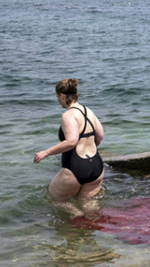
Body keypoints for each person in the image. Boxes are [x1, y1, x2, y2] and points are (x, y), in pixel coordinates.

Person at [33, 78, 105, 215]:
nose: (58, 100)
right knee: (88, 203)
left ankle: (78, 218)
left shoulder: (68, 115)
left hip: (76, 166)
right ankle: (91, 229)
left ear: (62, 95)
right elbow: (100, 136)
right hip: (96, 164)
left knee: (54, 199)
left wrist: (46, 152)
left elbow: (72, 141)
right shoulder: (88, 110)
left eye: (57, 97)